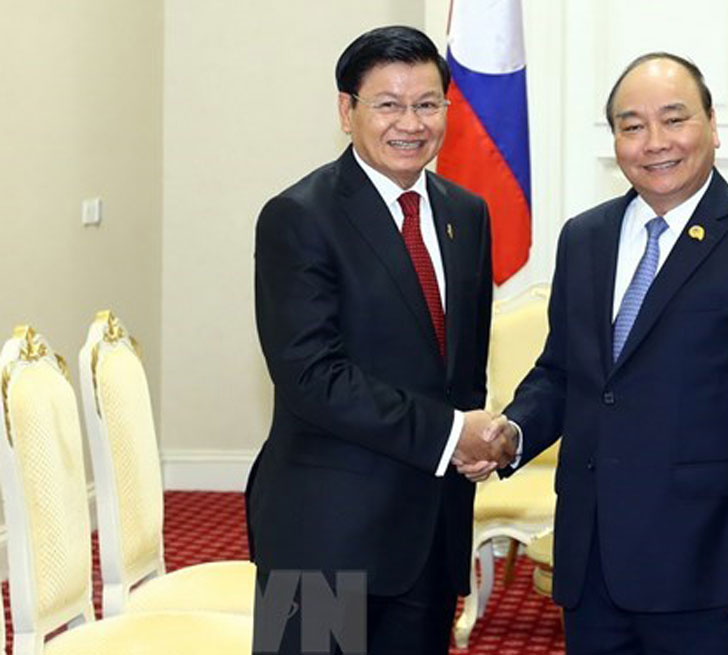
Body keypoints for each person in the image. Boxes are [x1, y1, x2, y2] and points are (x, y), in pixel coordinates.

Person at [472, 53, 728, 654]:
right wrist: (513, 432)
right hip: (594, 567)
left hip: (711, 572)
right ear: (615, 139)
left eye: (674, 119)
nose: (654, 142)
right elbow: (564, 373)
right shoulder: (585, 237)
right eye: (632, 126)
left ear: (712, 125)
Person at [246, 25, 516, 655]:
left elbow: (462, 368)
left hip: (428, 531)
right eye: (388, 104)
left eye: (427, 104)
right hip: (322, 536)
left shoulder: (465, 214)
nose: (411, 123)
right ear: (347, 111)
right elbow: (312, 377)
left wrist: (473, 442)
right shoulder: (299, 217)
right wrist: (454, 433)